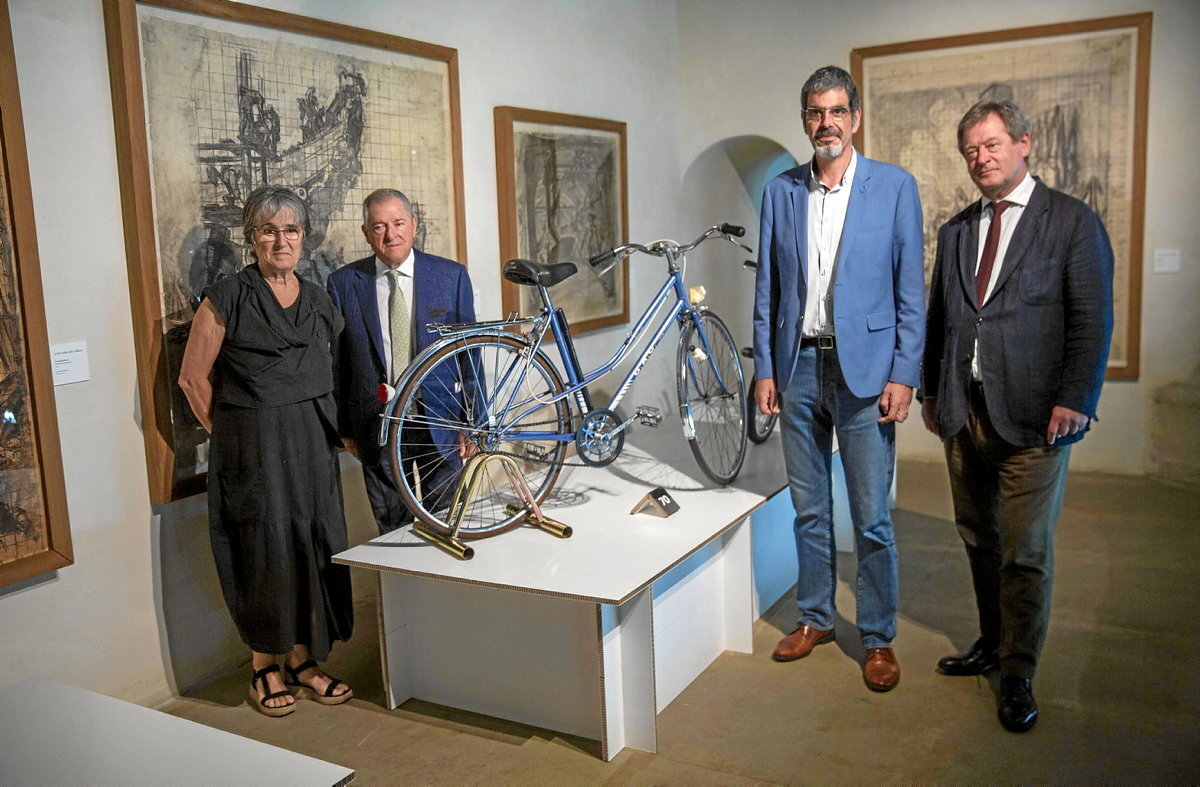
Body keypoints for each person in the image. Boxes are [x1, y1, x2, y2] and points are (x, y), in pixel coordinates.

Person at [921, 99, 1113, 732]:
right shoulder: (956, 231)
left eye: (993, 144)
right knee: (979, 538)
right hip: (963, 413)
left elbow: (1091, 319)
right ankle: (991, 640)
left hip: (1035, 419)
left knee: (1025, 552)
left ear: (1024, 143)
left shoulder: (1071, 222)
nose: (981, 158)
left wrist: (1076, 397)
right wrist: (930, 392)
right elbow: (941, 319)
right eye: (971, 150)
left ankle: (1017, 671)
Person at [752, 66, 925, 692]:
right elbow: (768, 288)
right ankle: (816, 617)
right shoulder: (781, 191)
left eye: (836, 111)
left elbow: (910, 290)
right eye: (814, 112)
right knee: (808, 509)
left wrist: (904, 372)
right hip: (797, 366)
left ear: (855, 117)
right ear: (806, 120)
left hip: (866, 372)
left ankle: (877, 636)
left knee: (871, 517)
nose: (826, 123)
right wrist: (764, 367)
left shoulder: (894, 187)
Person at [179, 186, 354, 717]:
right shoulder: (227, 296)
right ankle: (263, 666)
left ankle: (302, 660)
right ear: (251, 238)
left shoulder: (318, 299)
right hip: (253, 449)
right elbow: (192, 379)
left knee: (311, 544)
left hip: (310, 446)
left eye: (290, 230)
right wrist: (236, 433)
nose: (281, 241)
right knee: (263, 548)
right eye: (268, 231)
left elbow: (334, 371)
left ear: (303, 236)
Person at [327, 188, 476, 534]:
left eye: (398, 223)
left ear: (414, 225)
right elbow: (339, 365)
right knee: (392, 530)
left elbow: (469, 355)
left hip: (441, 422)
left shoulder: (450, 276)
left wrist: (472, 419)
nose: (390, 235)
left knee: (446, 525)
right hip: (378, 426)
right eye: (379, 226)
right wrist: (345, 429)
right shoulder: (343, 283)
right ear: (366, 233)